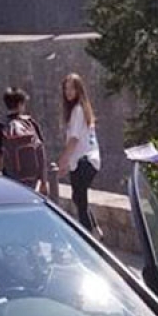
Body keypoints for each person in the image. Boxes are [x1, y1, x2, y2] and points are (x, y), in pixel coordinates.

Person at [56, 73, 101, 234]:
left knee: (80, 200)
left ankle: (89, 235)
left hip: (84, 161)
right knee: (79, 198)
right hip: (88, 161)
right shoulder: (82, 109)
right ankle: (95, 231)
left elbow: (74, 140)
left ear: (79, 90)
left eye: (72, 88)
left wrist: (62, 161)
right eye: (66, 88)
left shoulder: (78, 110)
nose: (68, 92)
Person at [0, 87, 48, 193]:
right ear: (21, 104)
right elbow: (41, 153)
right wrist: (44, 182)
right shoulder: (31, 123)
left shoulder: (0, 126)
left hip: (11, 180)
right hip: (32, 179)